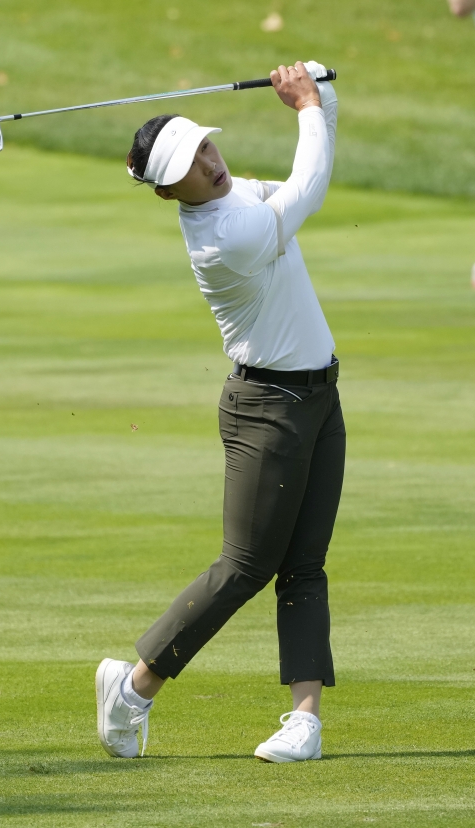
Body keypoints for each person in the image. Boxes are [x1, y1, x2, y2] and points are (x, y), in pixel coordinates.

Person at [96, 61, 344, 763]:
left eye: (206, 146)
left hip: (319, 397)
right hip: (267, 408)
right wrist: (304, 107)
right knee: (245, 564)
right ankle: (134, 687)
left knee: (305, 565)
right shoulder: (220, 237)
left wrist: (321, 98)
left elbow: (305, 175)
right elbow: (309, 189)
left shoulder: (235, 202)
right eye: (192, 163)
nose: (211, 161)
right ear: (168, 190)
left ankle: (304, 723)